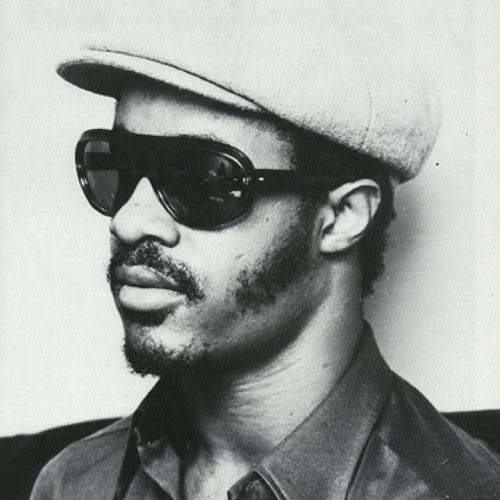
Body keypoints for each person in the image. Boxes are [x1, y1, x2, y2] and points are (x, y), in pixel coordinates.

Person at [31, 1, 500, 499]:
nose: (127, 221)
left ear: (343, 216)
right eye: (118, 166)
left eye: (204, 180)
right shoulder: (73, 483)